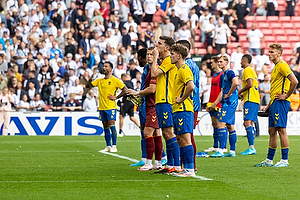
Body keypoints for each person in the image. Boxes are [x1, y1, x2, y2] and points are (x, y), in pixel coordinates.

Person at [254, 43, 298, 167]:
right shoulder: (275, 67)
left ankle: (284, 160)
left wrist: (286, 96)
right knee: (271, 131)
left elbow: (294, 81)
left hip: (281, 102)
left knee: (281, 130)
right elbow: (275, 88)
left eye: (272, 52)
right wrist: (269, 104)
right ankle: (269, 160)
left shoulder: (283, 65)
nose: (269, 54)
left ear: (279, 53)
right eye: (269, 52)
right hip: (274, 102)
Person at [127, 47, 164, 171]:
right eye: (147, 54)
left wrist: (138, 93)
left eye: (151, 54)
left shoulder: (154, 70)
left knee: (147, 133)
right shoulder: (148, 69)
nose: (149, 56)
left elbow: (152, 89)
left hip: (153, 105)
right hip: (151, 104)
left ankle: (148, 162)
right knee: (157, 133)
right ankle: (158, 162)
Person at [151, 36, 181, 174]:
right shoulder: (166, 61)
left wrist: (155, 57)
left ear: (167, 48)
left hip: (166, 100)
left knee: (169, 133)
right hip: (161, 100)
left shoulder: (168, 60)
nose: (157, 45)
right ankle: (170, 164)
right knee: (165, 133)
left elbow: (154, 73)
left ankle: (175, 164)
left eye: (160, 44)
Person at [169, 44, 195, 177]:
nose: (170, 56)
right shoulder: (178, 70)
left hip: (184, 109)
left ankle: (190, 170)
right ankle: (186, 168)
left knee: (185, 139)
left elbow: (191, 86)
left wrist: (181, 99)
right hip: (177, 109)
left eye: (172, 53)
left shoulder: (185, 69)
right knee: (180, 139)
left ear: (179, 56)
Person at [90, 61, 127, 153]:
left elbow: (125, 89)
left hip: (111, 107)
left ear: (111, 69)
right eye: (103, 66)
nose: (104, 68)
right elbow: (88, 86)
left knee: (112, 126)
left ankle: (114, 146)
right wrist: (91, 77)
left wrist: (116, 97)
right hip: (102, 107)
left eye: (106, 66)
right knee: (105, 126)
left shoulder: (115, 80)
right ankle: (108, 146)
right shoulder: (100, 80)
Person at [176, 40, 200, 172]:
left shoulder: (187, 65)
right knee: (185, 135)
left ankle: (191, 166)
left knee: (188, 136)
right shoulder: (190, 64)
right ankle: (185, 164)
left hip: (189, 103)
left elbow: (191, 85)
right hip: (189, 102)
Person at [210, 56, 238, 158]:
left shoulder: (230, 73)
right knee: (230, 126)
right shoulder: (223, 76)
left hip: (230, 103)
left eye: (221, 61)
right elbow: (222, 91)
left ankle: (221, 150)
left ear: (226, 62)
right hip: (225, 102)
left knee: (220, 124)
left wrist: (230, 94)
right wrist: (216, 102)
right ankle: (232, 151)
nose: (219, 63)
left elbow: (235, 82)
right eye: (218, 62)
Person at [238, 54, 260, 155]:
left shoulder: (247, 70)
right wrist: (244, 94)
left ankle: (251, 148)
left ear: (244, 61)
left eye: (241, 61)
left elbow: (250, 84)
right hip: (254, 98)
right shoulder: (252, 70)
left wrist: (240, 91)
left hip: (251, 99)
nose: (240, 63)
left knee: (247, 122)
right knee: (249, 123)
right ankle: (252, 147)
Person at [204, 56, 224, 153]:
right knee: (214, 124)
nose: (211, 64)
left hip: (218, 104)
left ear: (216, 63)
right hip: (211, 104)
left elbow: (222, 91)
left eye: (212, 62)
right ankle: (216, 146)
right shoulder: (215, 74)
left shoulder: (221, 75)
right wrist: (209, 103)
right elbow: (213, 91)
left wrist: (216, 103)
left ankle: (222, 147)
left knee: (220, 125)